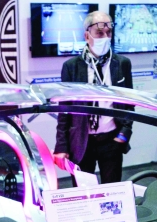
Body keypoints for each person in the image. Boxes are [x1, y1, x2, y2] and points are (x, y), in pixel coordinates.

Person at [53, 11, 134, 184]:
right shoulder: (71, 67)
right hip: (81, 141)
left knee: (112, 194)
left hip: (112, 140)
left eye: (108, 33)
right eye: (99, 33)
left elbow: (130, 103)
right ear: (87, 36)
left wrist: (124, 135)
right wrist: (61, 146)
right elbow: (64, 109)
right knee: (83, 194)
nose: (105, 37)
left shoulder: (122, 64)